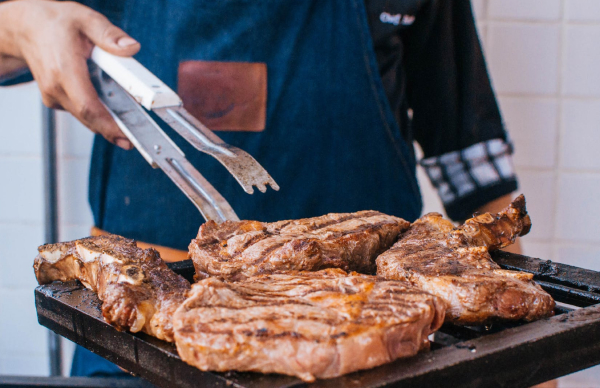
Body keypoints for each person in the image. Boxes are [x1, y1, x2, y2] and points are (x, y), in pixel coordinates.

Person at [0, 0, 523, 379]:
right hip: (140, 327)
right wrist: (22, 23)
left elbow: (470, 158)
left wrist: (536, 365)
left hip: (372, 330)